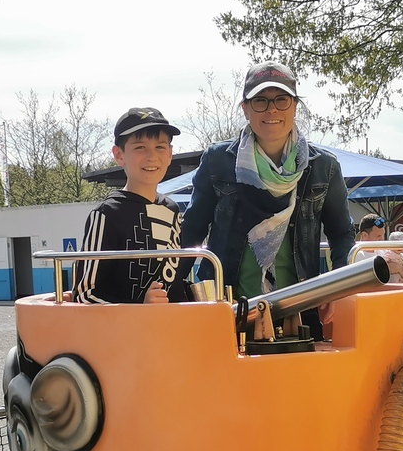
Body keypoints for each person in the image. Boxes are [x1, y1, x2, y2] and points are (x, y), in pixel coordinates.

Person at [180, 62, 355, 336]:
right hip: (227, 310)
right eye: (260, 100)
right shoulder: (217, 161)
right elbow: (191, 231)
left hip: (300, 311)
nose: (272, 110)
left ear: (295, 106)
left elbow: (342, 233)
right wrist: (172, 289)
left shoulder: (324, 167)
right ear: (245, 108)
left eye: (281, 99)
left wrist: (340, 286)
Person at [73, 107, 186, 304]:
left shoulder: (173, 210)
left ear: (170, 154)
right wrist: (139, 308)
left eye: (160, 147)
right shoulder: (106, 214)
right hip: (125, 326)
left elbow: (174, 284)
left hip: (171, 324)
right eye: (140, 147)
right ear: (119, 155)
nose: (152, 156)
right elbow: (84, 296)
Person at [355, 215, 403, 283]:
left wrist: (399, 268)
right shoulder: (356, 255)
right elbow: (362, 282)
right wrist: (388, 269)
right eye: (378, 236)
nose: (382, 239)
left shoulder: (385, 251)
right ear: (364, 235)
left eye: (383, 235)